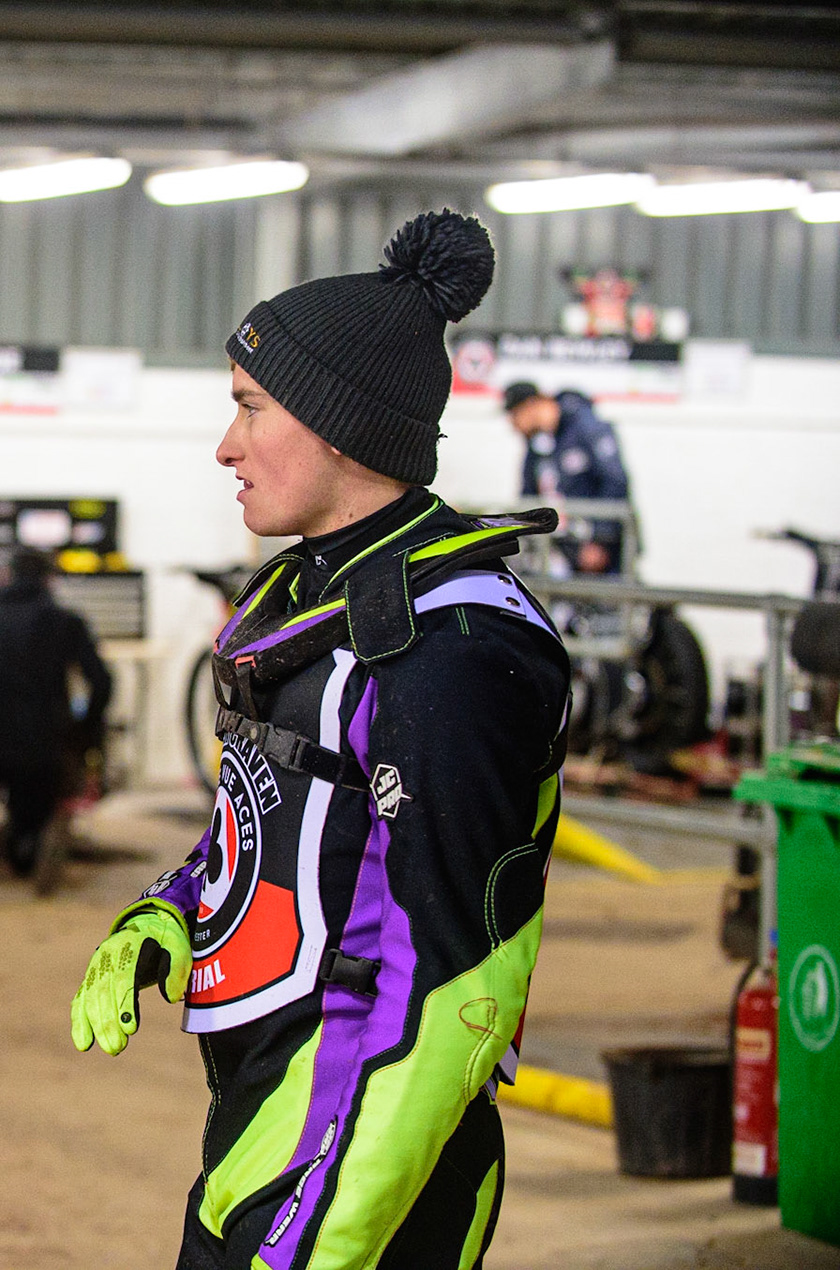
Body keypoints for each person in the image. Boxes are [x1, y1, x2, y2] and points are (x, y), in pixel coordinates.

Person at [69, 211, 570, 1270]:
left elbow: (452, 990)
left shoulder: (453, 649)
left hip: (360, 1171)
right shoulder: (311, 593)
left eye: (250, 408)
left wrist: (323, 1232)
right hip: (270, 1126)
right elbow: (282, 824)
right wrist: (172, 912)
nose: (225, 445)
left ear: (339, 425)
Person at [0, 547, 111, 876]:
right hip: (38, 751)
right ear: (50, 581)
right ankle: (21, 844)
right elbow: (102, 682)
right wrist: (85, 731)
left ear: (5, 577)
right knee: (30, 813)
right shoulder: (66, 622)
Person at [503, 381, 631, 573]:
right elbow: (527, 495)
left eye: (514, 415)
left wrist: (600, 540)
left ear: (530, 405)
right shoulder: (538, 445)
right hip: (561, 551)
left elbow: (615, 481)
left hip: (603, 554)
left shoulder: (586, 427)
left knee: (605, 597)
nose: (513, 425)